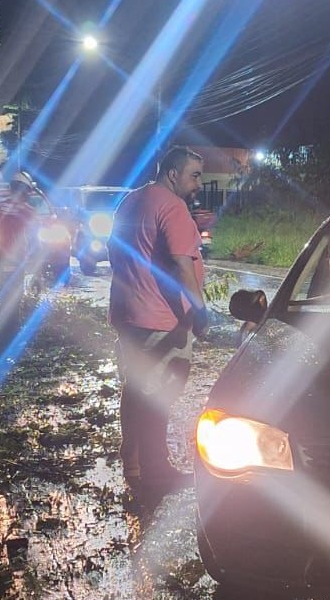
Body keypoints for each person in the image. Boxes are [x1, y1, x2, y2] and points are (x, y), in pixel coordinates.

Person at [108, 145, 209, 504]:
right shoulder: (172, 206)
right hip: (162, 321)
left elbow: (113, 252)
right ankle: (156, 471)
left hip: (128, 316)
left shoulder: (131, 202)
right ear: (173, 173)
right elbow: (183, 263)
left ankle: (133, 463)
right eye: (194, 175)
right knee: (158, 394)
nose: (199, 183)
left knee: (135, 390)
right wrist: (199, 309)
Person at [0, 171, 39, 359]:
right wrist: (37, 269)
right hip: (16, 263)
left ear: (11, 189)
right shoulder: (29, 212)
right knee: (11, 306)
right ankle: (3, 352)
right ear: (27, 192)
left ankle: (2, 351)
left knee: (4, 303)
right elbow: (36, 243)